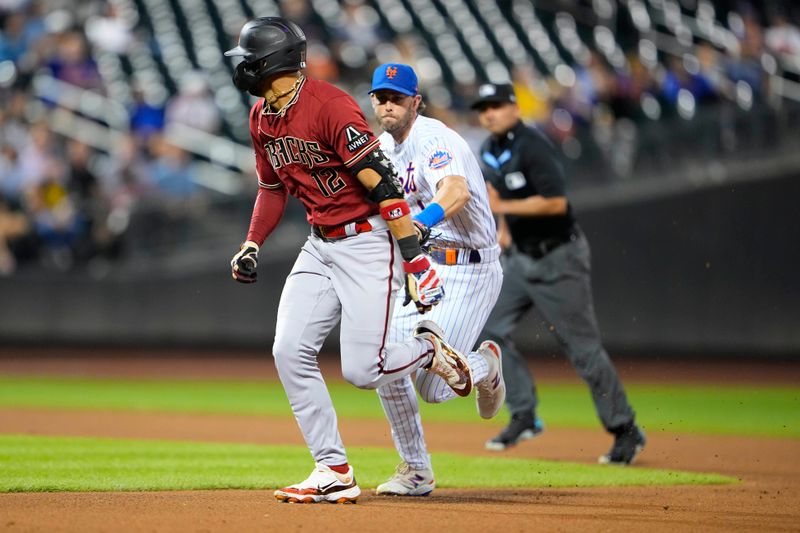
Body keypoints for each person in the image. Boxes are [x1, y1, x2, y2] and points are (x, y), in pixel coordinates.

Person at [225, 17, 474, 504]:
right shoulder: (261, 117)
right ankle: (332, 468)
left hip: (366, 242)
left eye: (250, 57)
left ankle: (429, 350)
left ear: (270, 63)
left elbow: (383, 185)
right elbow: (271, 189)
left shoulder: (330, 105)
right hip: (320, 243)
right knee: (288, 350)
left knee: (364, 371)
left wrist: (414, 258)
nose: (243, 66)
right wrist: (252, 241)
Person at [472, 83, 646, 465]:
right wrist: (504, 227)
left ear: (515, 108)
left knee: (582, 350)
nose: (489, 113)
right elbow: (503, 202)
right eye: (484, 107)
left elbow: (556, 202)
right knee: (487, 330)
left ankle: (625, 429)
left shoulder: (533, 146)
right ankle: (524, 414)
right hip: (520, 259)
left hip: (559, 259)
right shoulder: (491, 150)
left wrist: (505, 205)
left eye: (497, 105)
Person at [368, 64, 506, 496]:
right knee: (386, 363)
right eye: (381, 97)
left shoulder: (434, 138)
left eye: (397, 97)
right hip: (427, 267)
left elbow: (455, 191)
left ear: (416, 101)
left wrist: (422, 225)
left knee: (432, 389)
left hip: (471, 267)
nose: (388, 104)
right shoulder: (382, 147)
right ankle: (416, 470)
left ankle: (486, 364)